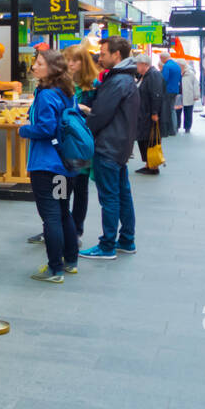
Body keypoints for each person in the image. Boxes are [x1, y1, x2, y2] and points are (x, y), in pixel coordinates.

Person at [27, 44, 98, 246]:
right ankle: (67, 246)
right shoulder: (63, 89)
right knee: (61, 205)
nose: (70, 64)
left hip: (69, 152)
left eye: (74, 60)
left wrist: (25, 130)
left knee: (65, 201)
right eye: (67, 59)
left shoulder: (55, 92)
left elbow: (47, 128)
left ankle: (69, 240)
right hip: (64, 155)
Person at [18, 49, 78, 282]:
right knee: (63, 211)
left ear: (52, 69)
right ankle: (70, 261)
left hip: (46, 166)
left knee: (51, 216)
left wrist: (23, 129)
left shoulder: (45, 95)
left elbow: (45, 128)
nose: (34, 67)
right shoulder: (67, 92)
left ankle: (55, 269)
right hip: (65, 164)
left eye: (40, 63)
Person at [78, 36, 139, 260]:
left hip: (108, 146)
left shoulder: (118, 81)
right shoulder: (125, 79)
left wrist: (85, 128)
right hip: (120, 145)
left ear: (117, 55)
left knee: (110, 197)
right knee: (122, 194)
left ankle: (107, 246)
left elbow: (100, 115)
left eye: (103, 53)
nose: (99, 57)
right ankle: (126, 240)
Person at [133, 53, 164, 175]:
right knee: (144, 138)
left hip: (149, 113)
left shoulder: (153, 75)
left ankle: (153, 166)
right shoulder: (144, 76)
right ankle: (148, 164)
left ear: (144, 64)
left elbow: (156, 95)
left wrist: (155, 112)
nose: (136, 67)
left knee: (149, 139)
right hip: (143, 113)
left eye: (137, 64)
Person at [158, 50, 181, 137]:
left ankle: (168, 130)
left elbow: (163, 79)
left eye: (161, 59)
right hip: (175, 90)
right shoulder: (176, 65)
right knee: (172, 110)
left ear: (163, 58)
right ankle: (174, 129)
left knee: (166, 111)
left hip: (167, 91)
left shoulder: (167, 66)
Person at [179, 57, 198, 132]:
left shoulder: (190, 74)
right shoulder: (177, 74)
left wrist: (196, 95)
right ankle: (177, 126)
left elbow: (196, 85)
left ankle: (187, 127)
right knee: (177, 112)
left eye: (179, 65)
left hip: (188, 95)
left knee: (188, 112)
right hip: (179, 96)